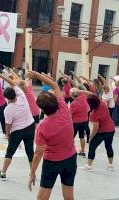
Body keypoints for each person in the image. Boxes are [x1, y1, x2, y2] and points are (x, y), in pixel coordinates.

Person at [27, 71, 77, 200]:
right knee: (69, 195)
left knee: (43, 195)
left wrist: (32, 173)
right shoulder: (63, 109)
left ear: (42, 110)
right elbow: (55, 85)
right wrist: (37, 75)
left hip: (52, 163)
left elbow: (38, 153)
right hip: (70, 159)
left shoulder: (42, 127)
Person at [0, 71, 35, 181]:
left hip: (17, 131)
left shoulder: (8, 109)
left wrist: (7, 135)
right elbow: (12, 82)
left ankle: (3, 173)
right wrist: (0, 74)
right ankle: (32, 173)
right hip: (30, 126)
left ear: (7, 98)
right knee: (30, 151)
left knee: (10, 152)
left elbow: (8, 125)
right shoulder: (21, 95)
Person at [76, 90, 115, 171]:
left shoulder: (93, 114)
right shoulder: (102, 103)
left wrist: (90, 137)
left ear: (90, 104)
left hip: (102, 131)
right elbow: (90, 94)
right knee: (108, 146)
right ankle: (110, 165)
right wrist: (79, 91)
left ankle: (89, 166)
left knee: (92, 146)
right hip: (111, 129)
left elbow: (95, 128)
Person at [69, 87, 90, 157]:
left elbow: (70, 115)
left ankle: (69, 151)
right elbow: (86, 92)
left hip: (75, 123)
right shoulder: (83, 97)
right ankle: (83, 151)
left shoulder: (73, 104)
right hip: (84, 121)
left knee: (71, 137)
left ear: (71, 95)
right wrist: (79, 90)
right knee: (81, 137)